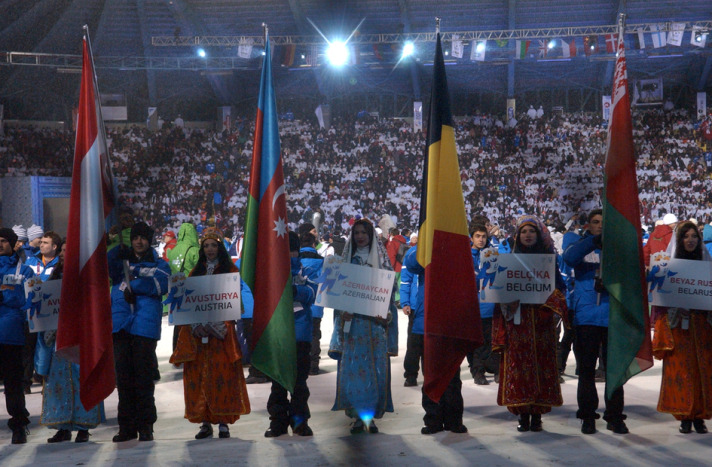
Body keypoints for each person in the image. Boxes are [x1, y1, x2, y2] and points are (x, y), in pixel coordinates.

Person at [170, 228, 250, 440]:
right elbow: (187, 304)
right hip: (199, 337)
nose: (210, 249)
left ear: (220, 247)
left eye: (213, 245)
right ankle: (205, 422)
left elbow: (234, 305)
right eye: (206, 246)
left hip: (221, 335)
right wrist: (197, 325)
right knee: (200, 377)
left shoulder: (230, 271)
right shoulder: (194, 273)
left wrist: (217, 324)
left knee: (222, 377)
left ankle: (223, 422)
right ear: (202, 248)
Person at [492, 216, 567, 432]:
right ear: (517, 235)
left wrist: (550, 306)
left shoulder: (549, 259)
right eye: (524, 232)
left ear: (539, 235)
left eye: (532, 231)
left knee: (542, 367)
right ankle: (523, 414)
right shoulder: (509, 260)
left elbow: (559, 290)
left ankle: (537, 415)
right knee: (520, 368)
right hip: (518, 322)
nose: (528, 235)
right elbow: (500, 291)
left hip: (542, 322)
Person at [329, 219, 398, 434]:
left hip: (374, 328)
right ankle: (357, 417)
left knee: (374, 372)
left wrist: (385, 314)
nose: (360, 236)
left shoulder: (382, 263)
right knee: (354, 372)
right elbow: (336, 296)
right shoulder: (343, 263)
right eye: (356, 232)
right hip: (353, 327)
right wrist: (342, 311)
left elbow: (388, 294)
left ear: (371, 236)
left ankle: (370, 417)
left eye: (364, 233)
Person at [563, 209, 629, 435]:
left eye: (604, 223)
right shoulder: (581, 245)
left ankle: (615, 416)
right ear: (588, 226)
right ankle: (588, 416)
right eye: (596, 222)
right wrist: (594, 241)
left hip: (613, 317)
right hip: (587, 317)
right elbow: (569, 258)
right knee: (587, 371)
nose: (600, 225)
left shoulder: (619, 249)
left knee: (614, 372)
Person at [108, 222, 171, 442]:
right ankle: (126, 427)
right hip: (121, 323)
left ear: (149, 240)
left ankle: (145, 426)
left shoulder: (159, 263)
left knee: (143, 379)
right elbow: (105, 267)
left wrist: (135, 287)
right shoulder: (120, 262)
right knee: (124, 379)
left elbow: (161, 284)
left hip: (144, 325)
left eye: (143, 237)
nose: (139, 241)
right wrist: (117, 250)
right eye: (136, 238)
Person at [37, 243, 105, 443]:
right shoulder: (52, 277)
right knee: (59, 383)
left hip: (80, 338)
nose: (66, 253)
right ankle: (63, 427)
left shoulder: (87, 278)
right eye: (63, 251)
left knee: (82, 379)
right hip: (57, 339)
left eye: (70, 250)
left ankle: (84, 427)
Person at [651, 221, 712, 434]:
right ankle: (684, 415)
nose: (690, 240)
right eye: (685, 236)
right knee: (681, 371)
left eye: (694, 236)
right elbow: (661, 300)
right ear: (679, 240)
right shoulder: (670, 266)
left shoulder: (707, 265)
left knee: (702, 371)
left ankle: (699, 416)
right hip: (678, 327)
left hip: (702, 328)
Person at [403, 244, 468, 435]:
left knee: (452, 376)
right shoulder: (423, 249)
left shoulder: (456, 247)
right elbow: (411, 264)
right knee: (430, 375)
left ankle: (454, 420)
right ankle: (433, 419)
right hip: (426, 322)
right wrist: (426, 243)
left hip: (451, 322)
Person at [264, 230, 318, 437]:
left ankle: (299, 421)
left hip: (300, 334)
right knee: (278, 382)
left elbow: (313, 293)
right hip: (278, 333)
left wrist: (294, 290)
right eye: (283, 250)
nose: (288, 254)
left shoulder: (305, 270)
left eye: (292, 250)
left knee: (299, 383)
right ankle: (277, 422)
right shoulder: (270, 271)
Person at [0, 227, 34, 444]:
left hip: (10, 333)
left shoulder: (26, 270)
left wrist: (6, 298)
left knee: (13, 383)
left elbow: (32, 300)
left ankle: (19, 424)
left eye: (3, 241)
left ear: (13, 244)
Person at [468, 223, 500, 385]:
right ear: (472, 237)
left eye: (484, 236)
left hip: (491, 305)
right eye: (477, 236)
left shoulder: (492, 254)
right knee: (478, 343)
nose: (481, 240)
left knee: (494, 340)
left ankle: (495, 370)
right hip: (474, 307)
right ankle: (478, 372)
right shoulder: (465, 255)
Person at [166, 223, 200, 352]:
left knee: (178, 322)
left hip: (176, 290)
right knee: (193, 322)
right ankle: (191, 349)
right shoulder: (194, 250)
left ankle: (177, 350)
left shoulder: (173, 250)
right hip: (192, 290)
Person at [399, 246, 422, 387]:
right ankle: (411, 375)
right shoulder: (412, 252)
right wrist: (405, 302)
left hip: (433, 306)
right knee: (414, 343)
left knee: (430, 344)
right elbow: (405, 280)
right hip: (415, 307)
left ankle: (430, 374)